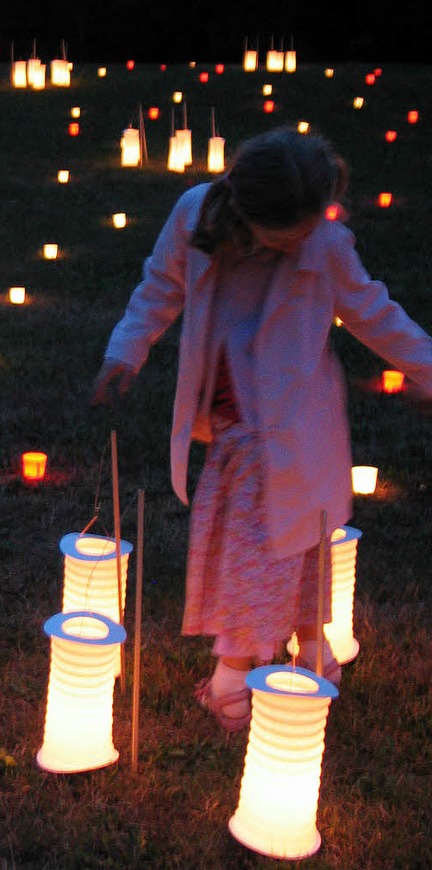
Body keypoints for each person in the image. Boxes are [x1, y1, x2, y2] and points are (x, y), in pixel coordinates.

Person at [91, 126, 432, 732]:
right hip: (231, 421)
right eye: (294, 230)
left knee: (278, 547)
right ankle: (309, 657)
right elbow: (160, 285)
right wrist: (127, 348)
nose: (307, 234)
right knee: (269, 544)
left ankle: (234, 682)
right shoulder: (196, 216)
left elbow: (374, 311)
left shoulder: (323, 243)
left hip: (295, 424)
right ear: (249, 209)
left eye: (312, 223)